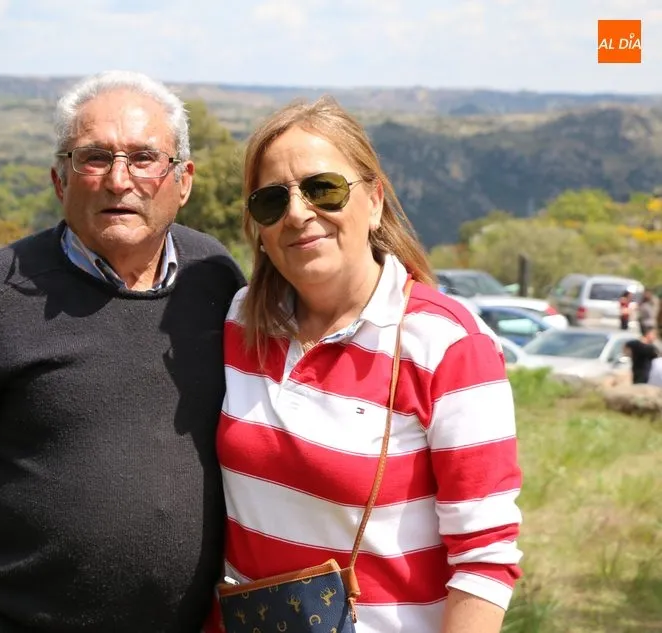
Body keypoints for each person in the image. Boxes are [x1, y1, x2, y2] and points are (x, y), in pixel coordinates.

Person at [0, 70, 246, 633]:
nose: (119, 180)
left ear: (183, 180)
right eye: (94, 157)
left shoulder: (214, 278)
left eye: (144, 158)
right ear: (60, 179)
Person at [215, 96, 522, 633]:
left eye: (323, 188)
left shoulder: (447, 345)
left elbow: (484, 561)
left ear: (375, 201)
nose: (297, 214)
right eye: (271, 201)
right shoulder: (241, 321)